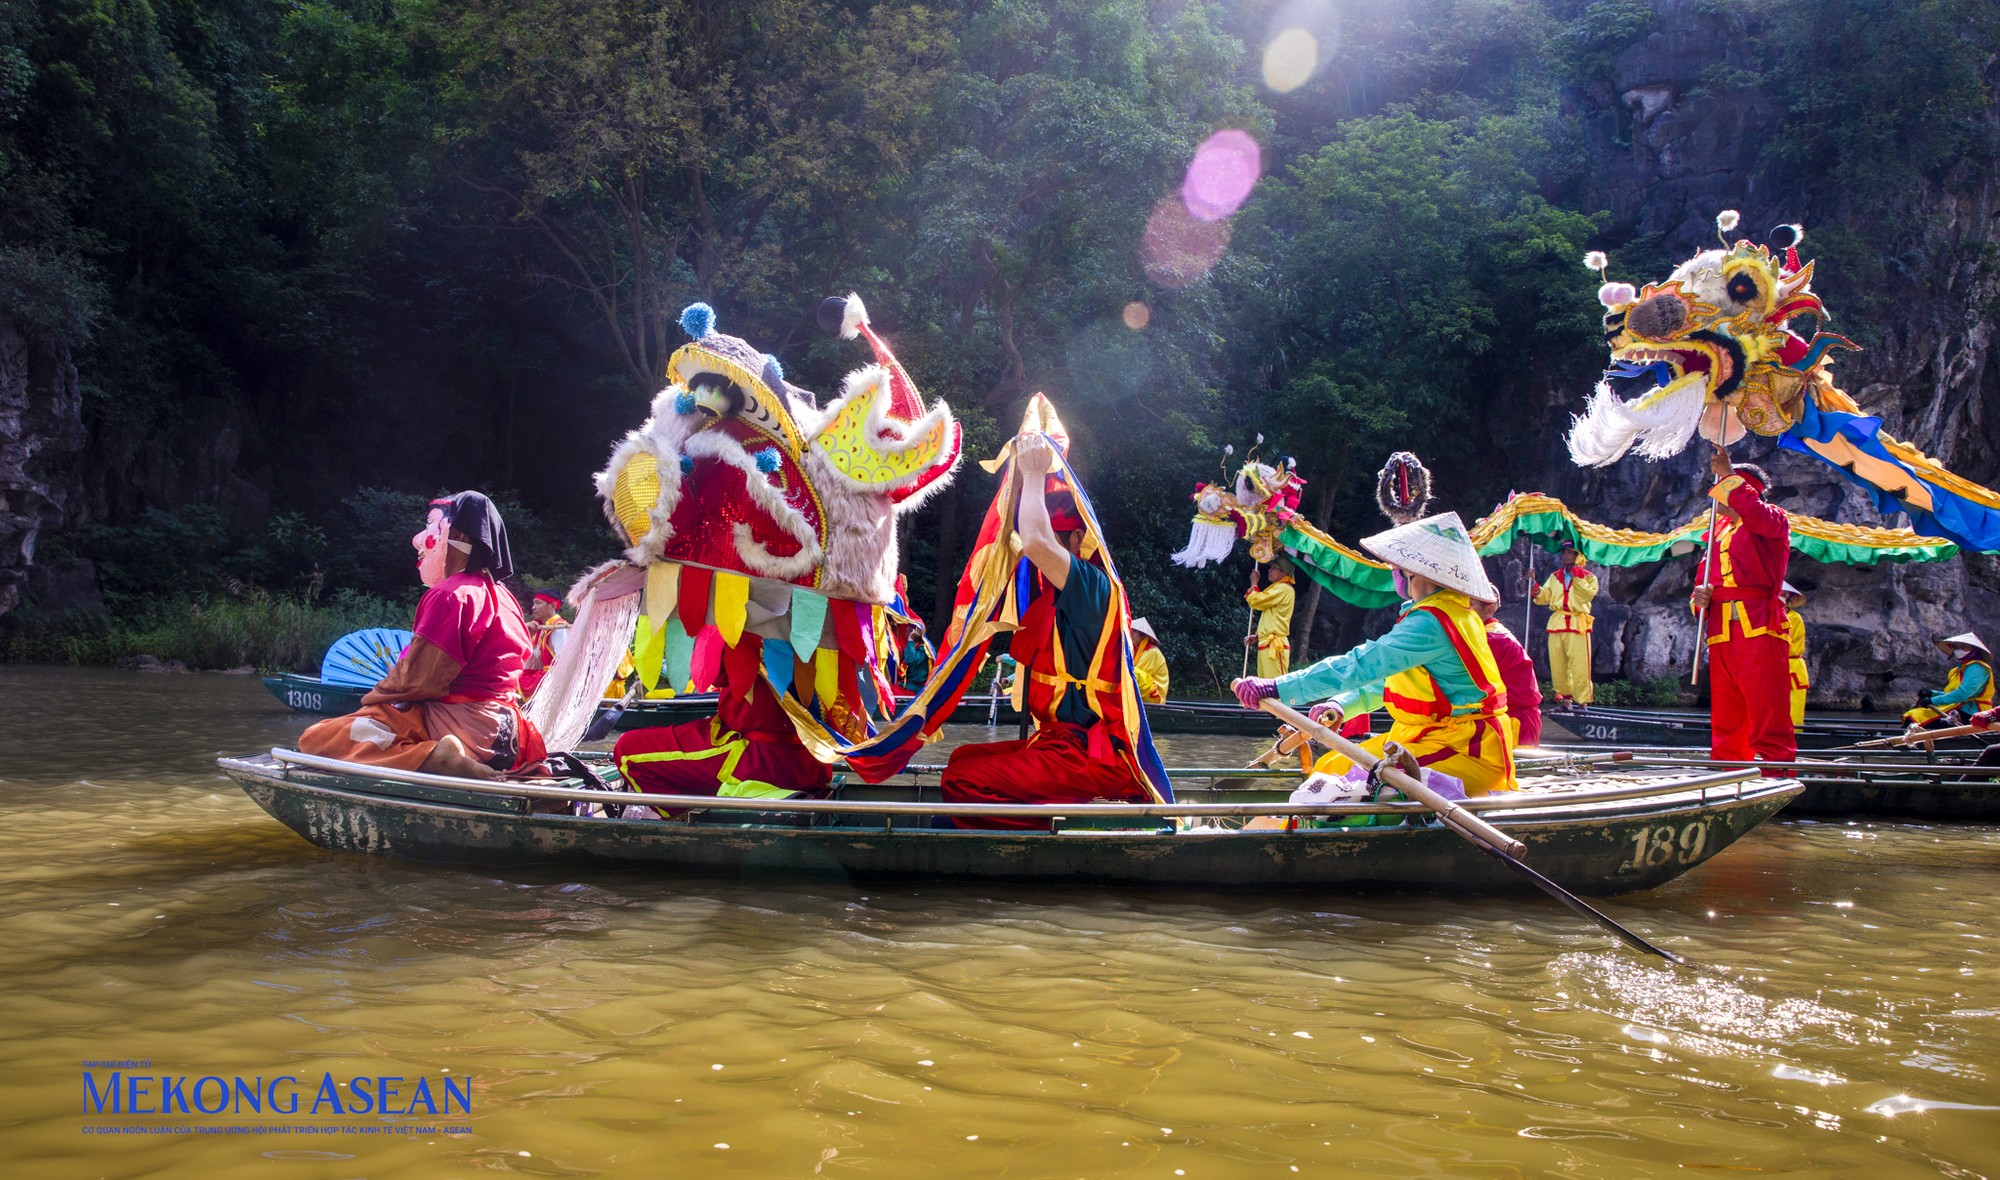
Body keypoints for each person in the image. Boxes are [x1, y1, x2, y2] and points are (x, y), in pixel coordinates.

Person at [937, 431, 1153, 828]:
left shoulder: (1092, 586)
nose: (1043, 553)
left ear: (1077, 538)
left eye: (1058, 537)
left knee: (960, 779)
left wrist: (1034, 474)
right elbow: (1032, 542)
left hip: (1092, 754)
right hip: (1058, 741)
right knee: (960, 759)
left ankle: (1054, 831)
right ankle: (1042, 818)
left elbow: (1034, 542)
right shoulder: (1051, 594)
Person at [1233, 512, 1517, 796]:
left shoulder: (1434, 620)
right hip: (1428, 738)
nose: (1393, 572)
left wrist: (1276, 687)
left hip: (1465, 749)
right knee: (1330, 767)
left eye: (1395, 567)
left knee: (1352, 786)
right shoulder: (1439, 611)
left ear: (1412, 571)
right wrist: (1342, 705)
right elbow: (1393, 682)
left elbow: (1363, 664)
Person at [299, 492, 546, 780]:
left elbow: (418, 680)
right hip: (508, 735)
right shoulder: (507, 599)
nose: (418, 539)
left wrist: (376, 696)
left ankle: (434, 757)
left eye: (430, 524)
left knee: (318, 737)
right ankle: (440, 754)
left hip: (463, 727)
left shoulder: (452, 594)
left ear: (460, 534)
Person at [612, 630, 831, 803]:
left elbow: (713, 672)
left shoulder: (751, 623)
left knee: (625, 750)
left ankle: (684, 820)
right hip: (814, 762)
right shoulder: (823, 628)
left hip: (756, 759)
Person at [1689, 448, 1795, 770]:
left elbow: (1754, 512)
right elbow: (1699, 587)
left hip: (1760, 627)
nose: (1716, 495)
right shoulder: (1716, 537)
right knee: (1726, 718)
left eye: (1722, 486)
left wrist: (1728, 473)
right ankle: (1729, 776)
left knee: (1768, 712)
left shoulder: (1772, 521)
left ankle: (1778, 774)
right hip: (1722, 633)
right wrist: (1699, 600)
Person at [1533, 539, 1598, 705]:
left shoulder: (1589, 578)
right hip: (1557, 623)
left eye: (1570, 552)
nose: (1566, 555)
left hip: (1578, 623)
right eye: (1564, 552)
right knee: (1558, 665)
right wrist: (1534, 584)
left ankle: (1583, 702)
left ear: (1578, 555)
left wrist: (1577, 575)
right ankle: (1566, 699)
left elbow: (1587, 595)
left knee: (1580, 665)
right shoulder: (1555, 577)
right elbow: (1544, 598)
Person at [1475, 596, 1542, 748]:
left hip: (1515, 721)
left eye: (1471, 605)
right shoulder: (1489, 634)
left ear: (1489, 609)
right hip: (1511, 718)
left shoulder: (1494, 639)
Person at [1902, 633, 1992, 730]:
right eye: (1956, 647)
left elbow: (1963, 694)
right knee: (1914, 715)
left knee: (1915, 716)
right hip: (1957, 708)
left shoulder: (1977, 668)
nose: (1959, 650)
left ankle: (1912, 742)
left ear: (1974, 650)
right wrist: (1931, 694)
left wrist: (1933, 701)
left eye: (1964, 647)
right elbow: (1951, 694)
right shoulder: (1958, 670)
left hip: (1973, 713)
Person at [1245, 556, 1296, 678]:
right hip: (1266, 642)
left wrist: (1254, 583)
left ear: (1284, 572)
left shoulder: (1283, 588)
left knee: (1275, 685)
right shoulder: (1277, 588)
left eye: (1274, 568)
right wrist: (1257, 636)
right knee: (1264, 686)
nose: (1270, 570)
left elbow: (1257, 601)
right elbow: (1271, 615)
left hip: (1275, 644)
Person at [520, 591, 569, 697]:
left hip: (553, 678)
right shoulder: (540, 627)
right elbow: (531, 659)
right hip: (544, 675)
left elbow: (564, 658)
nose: (533, 607)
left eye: (538, 603)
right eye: (533, 603)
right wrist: (526, 635)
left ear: (553, 605)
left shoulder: (558, 627)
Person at [1782, 583, 1809, 729]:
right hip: (1775, 666)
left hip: (1790, 666)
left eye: (1785, 594)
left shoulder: (1794, 618)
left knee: (1793, 709)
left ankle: (1794, 736)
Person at [1131, 617, 1170, 704]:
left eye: (1134, 631)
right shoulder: (1135, 649)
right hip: (1144, 691)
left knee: (1131, 672)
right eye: (1130, 630)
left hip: (1155, 696)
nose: (1131, 634)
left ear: (1143, 635)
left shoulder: (1152, 652)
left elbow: (1133, 673)